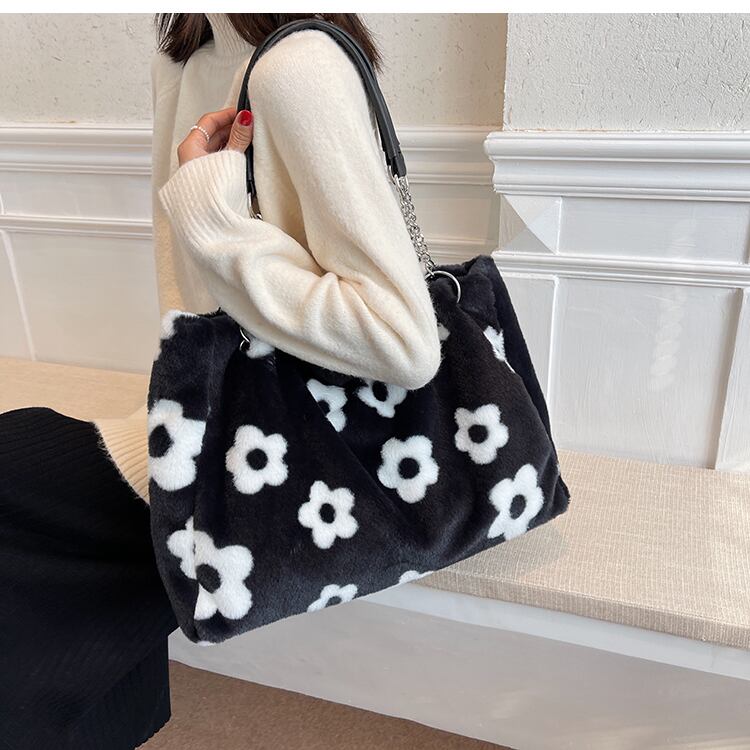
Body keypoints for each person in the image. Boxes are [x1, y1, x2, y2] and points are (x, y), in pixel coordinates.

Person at [0, 13, 441, 749]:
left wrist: (215, 215)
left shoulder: (297, 68)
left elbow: (402, 340)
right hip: (217, 428)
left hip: (308, 451)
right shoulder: (183, 64)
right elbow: (191, 303)